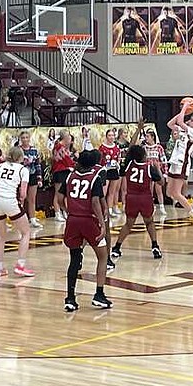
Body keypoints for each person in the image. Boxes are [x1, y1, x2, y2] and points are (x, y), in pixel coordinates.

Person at [61, 149, 112, 312]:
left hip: (73, 220)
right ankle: (99, 294)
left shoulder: (69, 176)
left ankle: (70, 298)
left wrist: (67, 210)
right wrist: (103, 224)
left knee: (74, 260)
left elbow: (59, 198)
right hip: (89, 220)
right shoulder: (94, 177)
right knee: (103, 257)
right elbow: (96, 202)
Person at [0, 146, 35, 278]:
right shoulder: (23, 170)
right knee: (26, 232)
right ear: (20, 157)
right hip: (10, 200)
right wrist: (21, 201)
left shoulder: (0, 166)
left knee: (1, 236)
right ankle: (20, 265)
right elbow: (23, 193)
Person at [111, 144, 164, 261]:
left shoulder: (129, 165)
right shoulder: (149, 168)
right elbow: (161, 183)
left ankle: (116, 247)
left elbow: (130, 148)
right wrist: (158, 169)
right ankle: (155, 246)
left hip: (131, 198)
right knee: (149, 222)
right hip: (145, 198)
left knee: (128, 224)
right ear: (143, 156)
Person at [165, 107, 193, 218]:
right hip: (174, 161)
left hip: (182, 163)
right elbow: (170, 124)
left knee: (176, 193)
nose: (189, 121)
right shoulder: (183, 129)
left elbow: (180, 122)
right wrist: (182, 112)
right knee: (169, 193)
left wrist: (185, 107)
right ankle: (192, 210)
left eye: (192, 120)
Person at [17, 131, 43, 229]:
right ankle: (20, 219)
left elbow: (37, 165)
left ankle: (32, 219)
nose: (25, 139)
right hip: (21, 176)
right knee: (22, 198)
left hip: (32, 175)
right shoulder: (18, 150)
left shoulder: (34, 150)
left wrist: (39, 178)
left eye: (26, 137)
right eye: (23, 137)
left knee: (32, 199)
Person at [98, 129, 123, 218]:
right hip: (105, 171)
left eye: (113, 135)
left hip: (114, 171)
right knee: (104, 192)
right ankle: (101, 209)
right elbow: (100, 160)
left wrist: (117, 164)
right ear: (106, 136)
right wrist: (105, 166)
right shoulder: (102, 147)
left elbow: (118, 159)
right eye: (109, 135)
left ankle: (110, 209)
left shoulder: (116, 148)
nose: (111, 137)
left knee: (112, 192)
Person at [52, 131, 75, 222]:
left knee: (64, 193)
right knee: (58, 193)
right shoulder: (59, 147)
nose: (70, 139)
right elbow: (67, 160)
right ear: (65, 138)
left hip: (66, 171)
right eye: (69, 137)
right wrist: (74, 165)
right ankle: (57, 212)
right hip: (59, 172)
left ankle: (64, 211)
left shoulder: (64, 147)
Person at [143, 130, 167, 215]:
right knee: (149, 189)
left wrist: (164, 172)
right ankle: (151, 206)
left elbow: (163, 159)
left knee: (159, 189)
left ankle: (161, 206)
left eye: (148, 136)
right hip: (148, 170)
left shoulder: (159, 147)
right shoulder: (144, 148)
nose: (146, 138)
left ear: (153, 137)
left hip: (157, 170)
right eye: (145, 136)